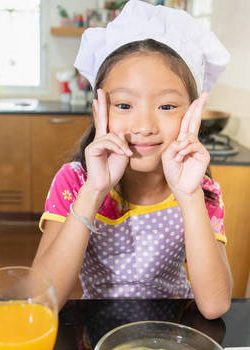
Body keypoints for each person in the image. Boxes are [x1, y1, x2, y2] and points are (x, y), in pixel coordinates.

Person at [32, 0, 232, 319]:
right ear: (99, 111)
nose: (144, 127)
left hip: (173, 334)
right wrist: (94, 192)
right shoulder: (75, 182)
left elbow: (214, 306)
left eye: (167, 107)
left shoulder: (201, 188)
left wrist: (189, 196)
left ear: (193, 113)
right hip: (98, 333)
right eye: (124, 105)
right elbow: (42, 300)